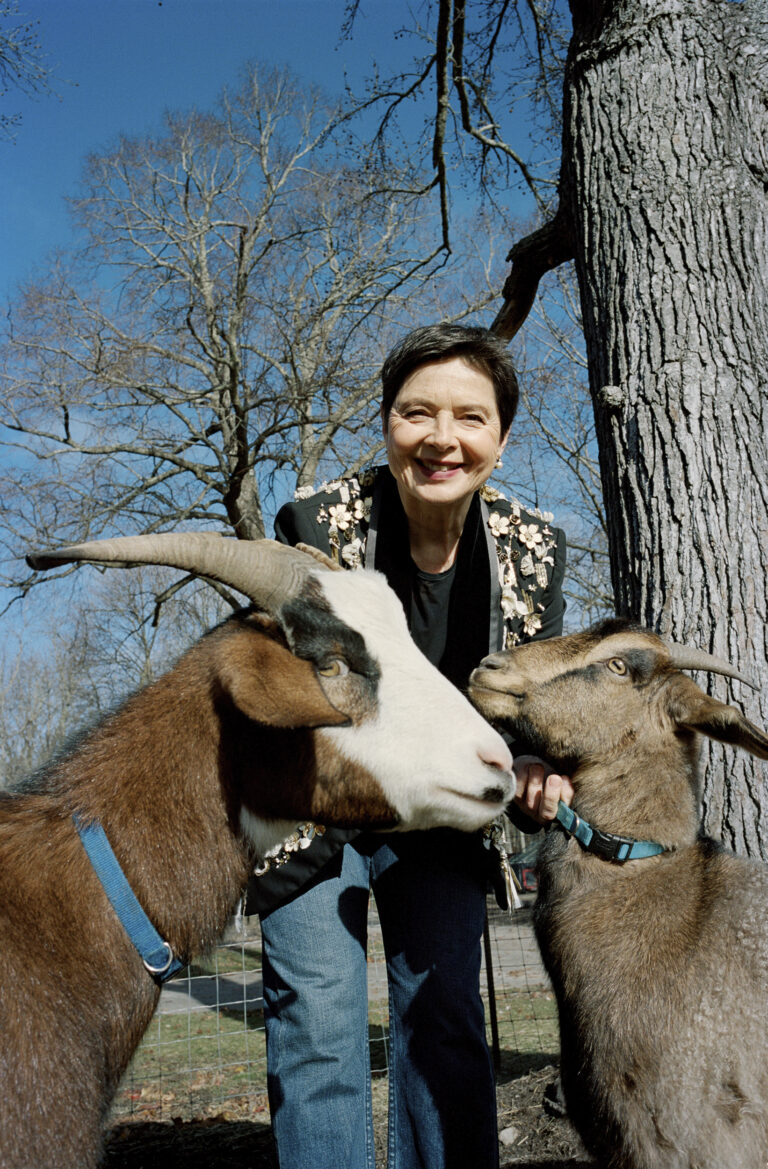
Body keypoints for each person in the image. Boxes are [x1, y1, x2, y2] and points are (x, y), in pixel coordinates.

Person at [246, 323, 572, 1169]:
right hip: (319, 803)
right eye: (415, 412)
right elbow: (286, 689)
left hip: (438, 808)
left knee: (448, 1015)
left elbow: (530, 709)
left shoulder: (533, 554)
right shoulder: (314, 522)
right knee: (316, 1020)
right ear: (388, 423)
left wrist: (536, 763)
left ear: (501, 436)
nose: (441, 438)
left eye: (470, 416)